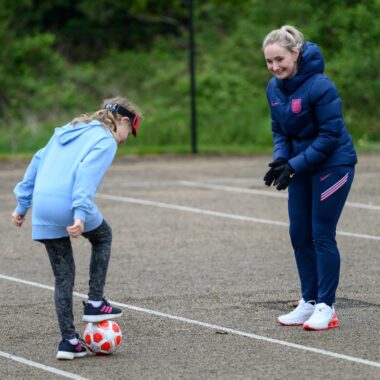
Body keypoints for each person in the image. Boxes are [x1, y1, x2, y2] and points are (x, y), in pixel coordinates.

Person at [12, 96, 141, 359]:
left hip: (44, 205)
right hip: (70, 202)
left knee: (63, 277)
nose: (127, 138)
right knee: (103, 236)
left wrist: (22, 204)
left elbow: (37, 159)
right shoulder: (106, 140)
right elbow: (86, 175)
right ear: (123, 121)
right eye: (130, 131)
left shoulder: (68, 128)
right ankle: (95, 302)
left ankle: (69, 342)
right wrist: (80, 214)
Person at [262, 26, 357, 330]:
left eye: (280, 59)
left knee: (321, 234)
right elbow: (280, 130)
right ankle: (309, 301)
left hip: (334, 165)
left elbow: (330, 137)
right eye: (269, 62)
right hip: (301, 166)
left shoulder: (321, 86)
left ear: (296, 54)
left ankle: (327, 307)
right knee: (299, 233)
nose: (275, 67)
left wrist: (294, 165)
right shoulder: (273, 89)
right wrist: (281, 159)